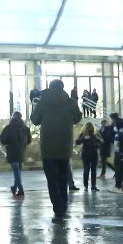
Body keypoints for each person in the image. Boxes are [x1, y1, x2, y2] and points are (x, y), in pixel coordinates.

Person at [29, 79, 82, 223]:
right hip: (64, 145)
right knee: (63, 178)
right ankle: (63, 206)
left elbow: (34, 119)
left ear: (50, 87)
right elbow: (78, 117)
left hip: (48, 146)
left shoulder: (43, 101)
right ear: (62, 87)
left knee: (52, 179)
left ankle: (58, 209)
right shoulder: (70, 102)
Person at [0, 111, 31, 197]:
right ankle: (14, 187)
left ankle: (20, 190)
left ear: (13, 117)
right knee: (18, 172)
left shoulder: (8, 128)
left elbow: (2, 139)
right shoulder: (26, 128)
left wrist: (8, 143)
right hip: (21, 153)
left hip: (12, 152)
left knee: (16, 173)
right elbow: (29, 141)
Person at [74, 123, 101, 192]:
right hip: (88, 154)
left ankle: (90, 186)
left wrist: (95, 141)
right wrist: (84, 138)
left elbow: (100, 143)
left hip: (91, 154)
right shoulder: (84, 134)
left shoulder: (94, 134)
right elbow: (77, 142)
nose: (89, 129)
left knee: (90, 170)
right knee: (89, 170)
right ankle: (90, 186)